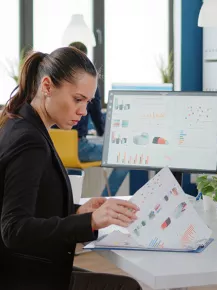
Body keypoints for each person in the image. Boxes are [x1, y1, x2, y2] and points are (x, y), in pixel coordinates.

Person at [0, 47, 141, 290]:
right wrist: (90, 222)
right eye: (77, 99)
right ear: (47, 86)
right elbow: (14, 229)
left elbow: (32, 205)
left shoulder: (21, 123)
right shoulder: (30, 141)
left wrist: (77, 212)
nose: (83, 111)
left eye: (88, 102)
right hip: (23, 275)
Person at [59, 41, 130, 197]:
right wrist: (102, 131)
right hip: (78, 147)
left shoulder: (59, 84)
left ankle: (69, 199)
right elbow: (97, 117)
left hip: (56, 148)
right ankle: (103, 198)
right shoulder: (88, 85)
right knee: (125, 156)